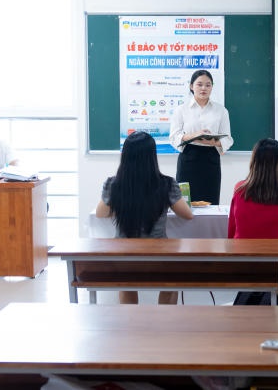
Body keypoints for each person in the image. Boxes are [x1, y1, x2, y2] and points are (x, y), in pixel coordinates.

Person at [96, 131, 193, 304]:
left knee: (126, 284)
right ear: (152, 156)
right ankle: (164, 320)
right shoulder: (167, 183)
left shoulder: (113, 183)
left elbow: (101, 213)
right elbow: (187, 215)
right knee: (172, 281)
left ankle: (131, 321)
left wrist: (122, 204)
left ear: (124, 156)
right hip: (158, 257)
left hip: (124, 258)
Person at [228, 138, 278, 305]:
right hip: (276, 264)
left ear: (253, 161)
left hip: (242, 262)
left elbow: (232, 230)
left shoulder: (239, 190)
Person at [169, 69, 233, 205]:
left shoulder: (221, 111)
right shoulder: (181, 109)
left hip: (211, 160)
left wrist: (212, 143)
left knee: (211, 202)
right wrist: (195, 135)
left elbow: (228, 139)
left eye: (208, 85)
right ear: (191, 86)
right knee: (185, 202)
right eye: (199, 84)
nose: (204, 88)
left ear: (212, 87)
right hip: (188, 159)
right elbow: (174, 137)